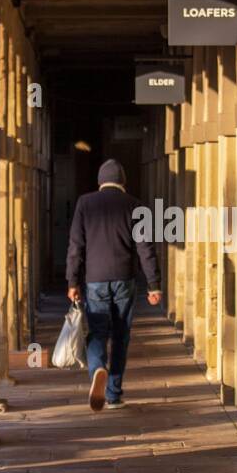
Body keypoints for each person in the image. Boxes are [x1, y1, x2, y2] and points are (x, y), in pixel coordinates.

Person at [66, 158, 162, 411]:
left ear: (100, 181)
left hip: (95, 279)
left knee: (98, 332)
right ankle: (114, 394)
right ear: (123, 182)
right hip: (124, 280)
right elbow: (145, 248)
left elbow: (76, 246)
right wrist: (154, 284)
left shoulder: (85, 203)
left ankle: (98, 367)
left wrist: (72, 281)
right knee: (121, 336)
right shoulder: (135, 205)